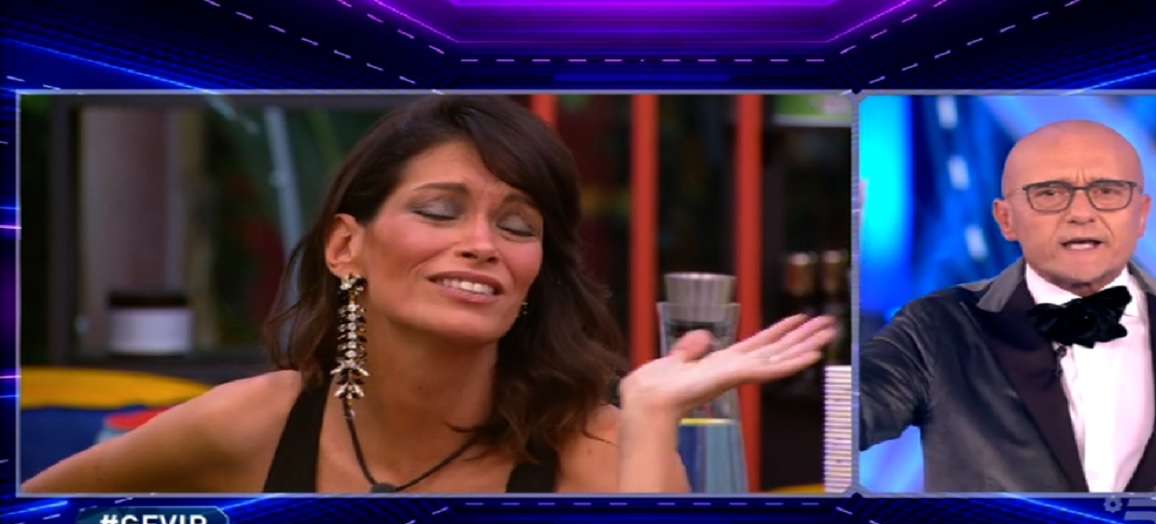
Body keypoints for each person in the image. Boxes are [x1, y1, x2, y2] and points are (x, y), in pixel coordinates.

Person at [24, 96, 835, 494]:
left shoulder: (599, 449)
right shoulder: (254, 423)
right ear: (346, 247)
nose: (482, 243)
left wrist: (651, 417)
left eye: (516, 225)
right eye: (439, 212)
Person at [859, 120, 1156, 493]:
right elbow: (849, 420)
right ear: (1006, 219)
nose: (1082, 214)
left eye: (1107, 192)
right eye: (1049, 194)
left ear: (1141, 215)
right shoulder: (938, 327)